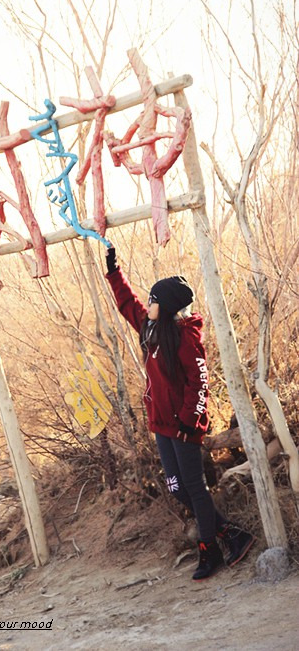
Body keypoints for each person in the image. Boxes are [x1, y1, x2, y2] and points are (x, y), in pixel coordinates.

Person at [105, 246, 255, 580]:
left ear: (168, 306)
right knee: (176, 488)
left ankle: (209, 550)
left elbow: (199, 383)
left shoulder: (187, 339)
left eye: (153, 300)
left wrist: (190, 421)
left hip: (184, 427)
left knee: (195, 487)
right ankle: (231, 533)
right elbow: (128, 304)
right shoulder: (151, 329)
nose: (149, 304)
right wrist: (114, 272)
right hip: (162, 425)